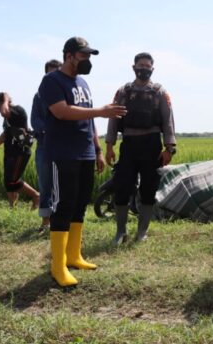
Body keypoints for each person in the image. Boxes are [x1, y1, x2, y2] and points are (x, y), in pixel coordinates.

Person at [38, 37, 127, 287]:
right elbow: (61, 111)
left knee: (79, 205)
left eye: (89, 56)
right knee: (63, 206)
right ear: (69, 56)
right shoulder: (52, 81)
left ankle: (74, 256)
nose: (87, 61)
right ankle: (58, 266)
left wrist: (97, 150)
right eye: (83, 56)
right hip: (62, 153)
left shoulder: (83, 83)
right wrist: (101, 111)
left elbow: (88, 121)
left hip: (85, 152)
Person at [105, 52, 176, 244]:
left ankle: (142, 232)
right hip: (128, 145)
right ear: (134, 67)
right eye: (140, 65)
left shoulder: (160, 92)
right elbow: (113, 119)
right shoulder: (123, 92)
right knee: (122, 187)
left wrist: (169, 148)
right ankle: (121, 231)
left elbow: (168, 121)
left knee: (148, 189)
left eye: (147, 66)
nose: (144, 69)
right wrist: (109, 146)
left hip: (152, 144)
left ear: (152, 69)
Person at [0, 92, 40, 209]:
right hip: (10, 152)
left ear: (6, 103)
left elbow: (5, 111)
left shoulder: (17, 111)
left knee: (12, 181)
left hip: (20, 152)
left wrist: (5, 99)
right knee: (8, 182)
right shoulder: (7, 118)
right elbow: (6, 134)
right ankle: (12, 208)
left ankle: (36, 196)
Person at [31, 59, 62, 233]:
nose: (52, 76)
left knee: (64, 185)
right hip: (44, 144)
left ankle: (61, 221)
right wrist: (47, 130)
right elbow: (35, 120)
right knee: (45, 183)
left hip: (64, 145)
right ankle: (45, 222)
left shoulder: (65, 93)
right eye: (49, 73)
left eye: (55, 72)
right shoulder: (39, 96)